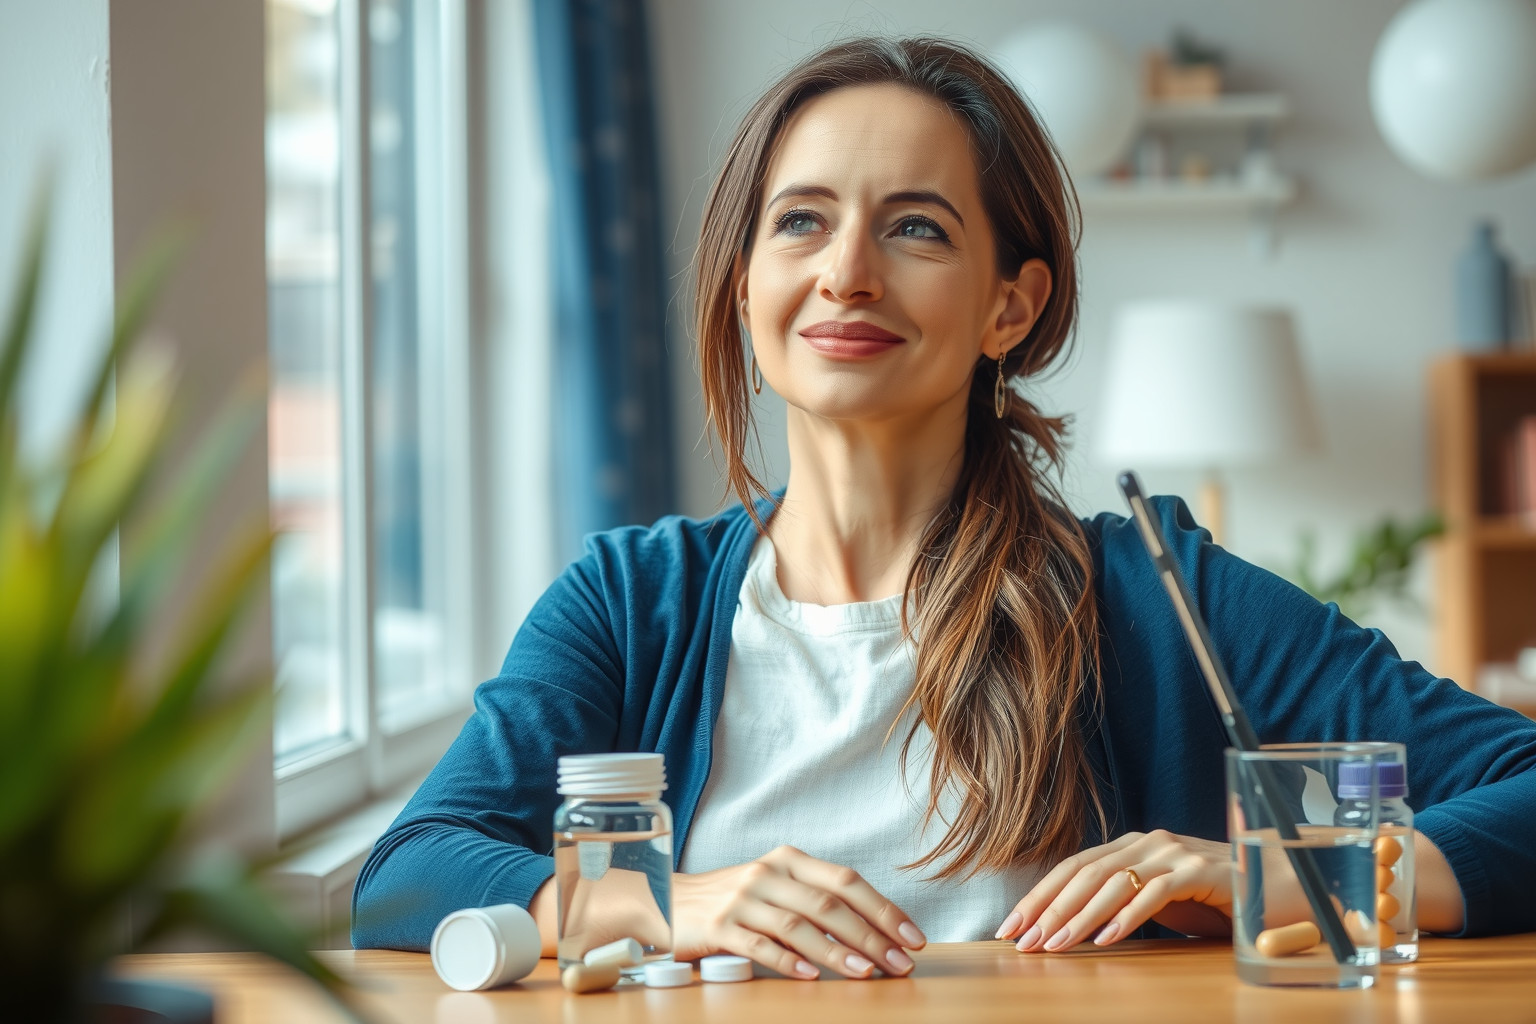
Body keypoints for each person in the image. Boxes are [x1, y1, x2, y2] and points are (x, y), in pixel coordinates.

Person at [351, 36, 1536, 978]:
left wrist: (1287, 874)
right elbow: (409, 873)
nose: (846, 271)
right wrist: (671, 902)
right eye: (801, 221)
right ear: (748, 283)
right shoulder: (629, 601)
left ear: (1009, 308)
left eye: (915, 226)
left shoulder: (1147, 592)